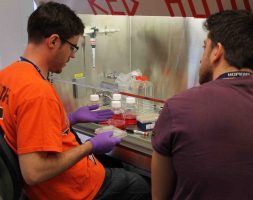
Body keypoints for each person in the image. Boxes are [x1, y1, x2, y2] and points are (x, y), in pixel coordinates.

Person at [0, 2, 150, 200]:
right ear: (53, 41)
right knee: (140, 184)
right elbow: (33, 172)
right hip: (74, 190)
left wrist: (69, 119)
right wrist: (90, 146)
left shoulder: (8, 74)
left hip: (63, 181)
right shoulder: (38, 92)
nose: (72, 55)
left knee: (116, 165)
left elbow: (26, 130)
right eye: (72, 47)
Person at [151, 10, 253, 200]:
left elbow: (159, 196)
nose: (200, 58)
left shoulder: (178, 107)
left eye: (205, 47)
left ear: (217, 51)